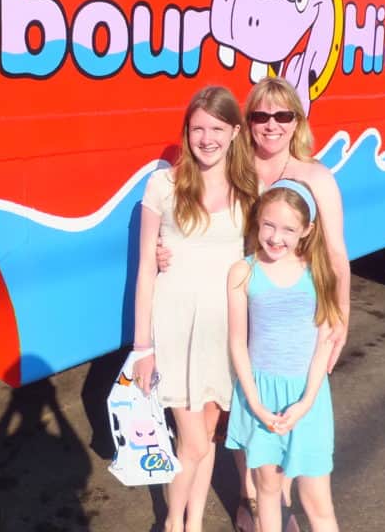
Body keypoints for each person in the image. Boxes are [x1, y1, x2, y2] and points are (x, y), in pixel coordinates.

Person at [159, 76, 350, 531]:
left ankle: (277, 510)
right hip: (240, 303)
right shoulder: (238, 171)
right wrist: (163, 249)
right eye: (261, 115)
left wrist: (341, 317)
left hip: (289, 314)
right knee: (244, 410)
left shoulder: (315, 177)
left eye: (283, 115)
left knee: (285, 418)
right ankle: (252, 503)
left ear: (296, 122)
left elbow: (337, 255)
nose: (271, 125)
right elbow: (199, 217)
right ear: (248, 123)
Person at [132, 85, 257, 532]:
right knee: (195, 444)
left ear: (235, 132)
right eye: (198, 128)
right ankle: (171, 524)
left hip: (223, 331)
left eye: (217, 128)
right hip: (176, 329)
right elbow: (147, 268)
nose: (207, 138)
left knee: (203, 439)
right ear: (186, 132)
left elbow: (263, 254)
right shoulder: (163, 185)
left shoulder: (247, 188)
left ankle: (193, 524)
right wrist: (141, 347)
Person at [225, 179, 342, 532]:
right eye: (269, 225)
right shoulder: (243, 272)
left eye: (289, 229)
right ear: (257, 221)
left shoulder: (318, 272)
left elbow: (324, 341)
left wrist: (306, 402)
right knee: (268, 490)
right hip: (259, 396)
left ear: (306, 230)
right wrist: (256, 404)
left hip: (309, 398)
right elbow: (237, 344)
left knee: (317, 500)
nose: (277, 237)